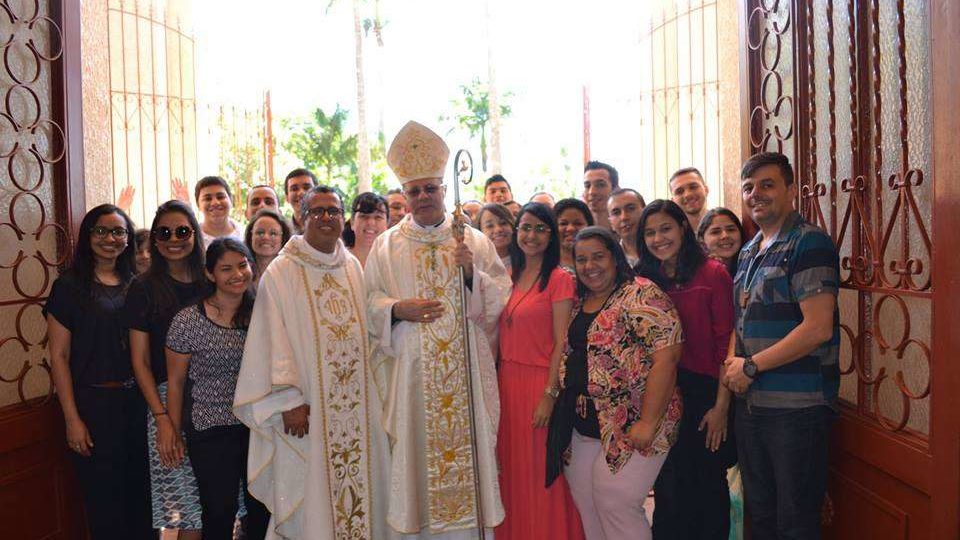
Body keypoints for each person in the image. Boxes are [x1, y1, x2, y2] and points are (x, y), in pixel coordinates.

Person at [365, 120, 511, 537]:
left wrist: (472, 277)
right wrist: (396, 309)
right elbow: (369, 301)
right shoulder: (386, 245)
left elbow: (499, 296)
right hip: (411, 380)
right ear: (405, 195)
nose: (423, 196)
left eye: (431, 188)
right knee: (415, 464)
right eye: (415, 191)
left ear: (445, 191)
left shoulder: (473, 241)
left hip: (464, 376)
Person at [235, 185, 396, 539]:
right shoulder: (282, 271)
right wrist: (288, 399)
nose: (326, 218)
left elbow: (369, 330)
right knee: (312, 499)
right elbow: (271, 338)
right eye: (317, 211)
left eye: (333, 211)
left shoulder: (352, 265)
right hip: (308, 409)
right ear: (302, 217)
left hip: (357, 409)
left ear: (344, 219)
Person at [722, 152, 840, 539]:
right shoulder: (751, 249)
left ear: (791, 189)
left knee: (796, 523)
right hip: (751, 407)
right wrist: (734, 371)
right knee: (764, 517)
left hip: (796, 412)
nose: (756, 194)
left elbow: (817, 328)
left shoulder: (809, 243)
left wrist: (751, 366)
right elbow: (740, 322)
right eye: (748, 188)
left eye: (767, 184)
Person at [546, 226, 682, 540]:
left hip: (637, 419)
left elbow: (668, 356)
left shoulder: (641, 292)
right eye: (582, 259)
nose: (590, 266)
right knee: (588, 502)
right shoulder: (582, 299)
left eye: (598, 257)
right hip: (587, 424)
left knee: (616, 501)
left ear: (615, 257)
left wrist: (648, 422)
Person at [45, 204, 153, 540]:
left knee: (143, 505)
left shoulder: (138, 284)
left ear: (127, 238)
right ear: (88, 235)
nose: (110, 238)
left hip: (138, 404)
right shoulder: (69, 287)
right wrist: (71, 419)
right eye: (101, 231)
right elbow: (59, 357)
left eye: (118, 231)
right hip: (93, 406)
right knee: (104, 507)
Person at [633, 200, 736, 540]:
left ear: (682, 227)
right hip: (662, 393)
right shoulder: (644, 279)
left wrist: (721, 407)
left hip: (706, 393)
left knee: (707, 487)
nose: (658, 238)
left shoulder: (712, 273)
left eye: (665, 228)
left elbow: (726, 343)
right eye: (650, 232)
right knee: (669, 490)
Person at [164, 238, 271, 540]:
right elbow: (176, 381)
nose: (237, 274)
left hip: (258, 424)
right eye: (226, 269)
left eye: (242, 265)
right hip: (211, 427)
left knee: (261, 506)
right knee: (219, 510)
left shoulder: (263, 313)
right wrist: (172, 429)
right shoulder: (188, 321)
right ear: (210, 274)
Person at [496, 202, 584, 540]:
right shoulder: (508, 276)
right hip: (507, 384)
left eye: (540, 229)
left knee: (540, 473)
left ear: (551, 235)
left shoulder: (560, 279)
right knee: (513, 473)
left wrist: (549, 395)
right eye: (525, 227)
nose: (531, 235)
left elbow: (562, 343)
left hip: (538, 384)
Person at [124, 200, 208, 538]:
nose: (174, 238)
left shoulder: (210, 279)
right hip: (164, 403)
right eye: (165, 232)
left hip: (213, 401)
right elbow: (140, 362)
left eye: (182, 231)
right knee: (184, 509)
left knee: (216, 501)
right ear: (155, 240)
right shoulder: (142, 288)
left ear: (195, 234)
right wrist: (161, 419)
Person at [195, 176, 244, 247]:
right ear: (198, 205)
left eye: (220, 197)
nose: (215, 203)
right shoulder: (193, 238)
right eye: (208, 199)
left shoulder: (244, 235)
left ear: (231, 200)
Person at [697, 207, 746, 276]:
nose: (725, 236)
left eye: (731, 230)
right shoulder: (697, 272)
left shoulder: (750, 266)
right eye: (715, 232)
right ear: (701, 240)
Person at [345, 191, 389, 267]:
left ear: (387, 224)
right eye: (364, 216)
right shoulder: (339, 260)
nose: (371, 223)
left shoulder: (393, 262)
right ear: (352, 222)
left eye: (378, 217)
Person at [244, 208, 292, 278]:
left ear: (283, 238)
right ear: (251, 236)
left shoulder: (292, 271)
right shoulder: (242, 272)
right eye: (260, 232)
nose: (265, 237)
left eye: (273, 233)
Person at [607, 188, 646, 267]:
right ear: (611, 222)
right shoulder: (610, 261)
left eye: (630, 208)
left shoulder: (662, 249)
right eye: (616, 212)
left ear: (645, 211)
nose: (624, 217)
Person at [553, 198, 594, 272]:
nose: (570, 229)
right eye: (563, 223)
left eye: (578, 223)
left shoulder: (598, 263)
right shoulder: (543, 264)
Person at [477, 203, 516, 274]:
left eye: (503, 223)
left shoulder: (526, 261)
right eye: (490, 226)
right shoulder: (477, 266)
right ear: (480, 232)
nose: (498, 229)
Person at [668, 167, 710, 231]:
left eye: (693, 187)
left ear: (706, 190)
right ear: (673, 200)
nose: (688, 195)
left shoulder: (725, 226)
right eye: (679, 191)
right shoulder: (671, 235)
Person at [582, 161, 618, 230]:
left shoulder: (624, 230)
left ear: (615, 189)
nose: (592, 192)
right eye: (587, 186)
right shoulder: (577, 230)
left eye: (600, 185)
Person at [284, 168, 318, 234]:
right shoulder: (282, 230)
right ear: (287, 197)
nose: (301, 193)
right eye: (294, 189)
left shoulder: (328, 226)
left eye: (307, 188)